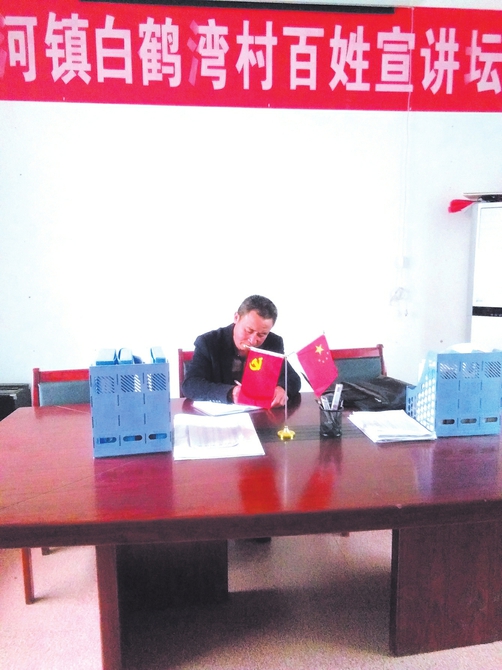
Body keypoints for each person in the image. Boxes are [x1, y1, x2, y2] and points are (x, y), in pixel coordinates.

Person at [182, 295, 302, 406]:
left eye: (262, 334)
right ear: (236, 318)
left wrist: (282, 389)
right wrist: (230, 393)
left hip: (259, 415)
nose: (253, 340)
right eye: (249, 331)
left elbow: (292, 378)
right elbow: (190, 385)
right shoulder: (209, 342)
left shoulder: (273, 342)